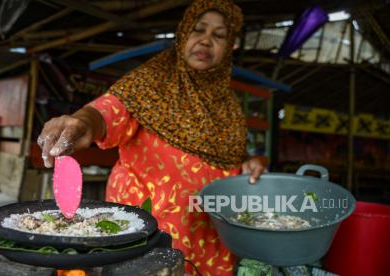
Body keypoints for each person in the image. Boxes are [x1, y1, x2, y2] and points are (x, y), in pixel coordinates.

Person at [38, 0, 266, 274]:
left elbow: (230, 158)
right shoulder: (149, 82)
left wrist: (247, 165)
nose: (206, 41)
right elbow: (108, 112)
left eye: (219, 35)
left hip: (210, 242)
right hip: (149, 236)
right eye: (198, 30)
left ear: (230, 47)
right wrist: (82, 122)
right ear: (182, 35)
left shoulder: (230, 106)